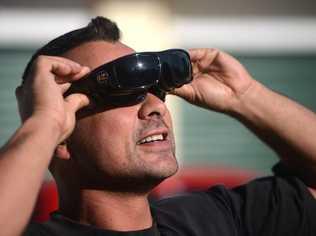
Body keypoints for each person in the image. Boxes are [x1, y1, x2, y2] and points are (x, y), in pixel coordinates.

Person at [0, 16, 315, 236]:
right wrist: (43, 124)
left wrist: (244, 96)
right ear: (62, 136)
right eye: (127, 92)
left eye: (158, 90)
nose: (157, 107)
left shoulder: (214, 221)